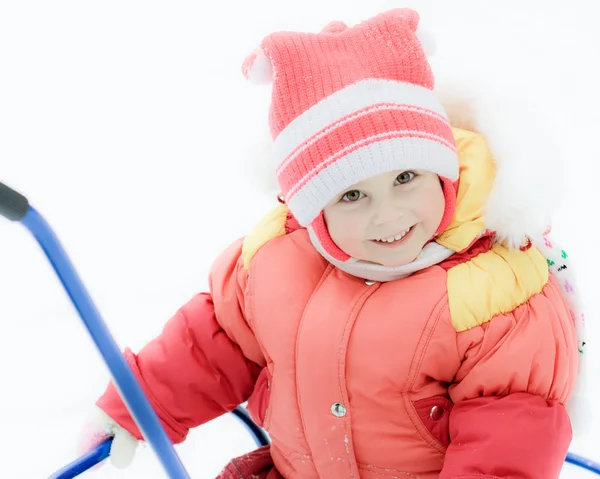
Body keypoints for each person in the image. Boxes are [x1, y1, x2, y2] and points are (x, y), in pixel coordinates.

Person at [77, 8, 586, 479]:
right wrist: (137, 404)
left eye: (406, 176)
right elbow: (217, 344)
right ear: (310, 210)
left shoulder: (496, 294)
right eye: (352, 195)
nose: (388, 214)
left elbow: (510, 435)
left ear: (445, 174)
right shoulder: (275, 262)